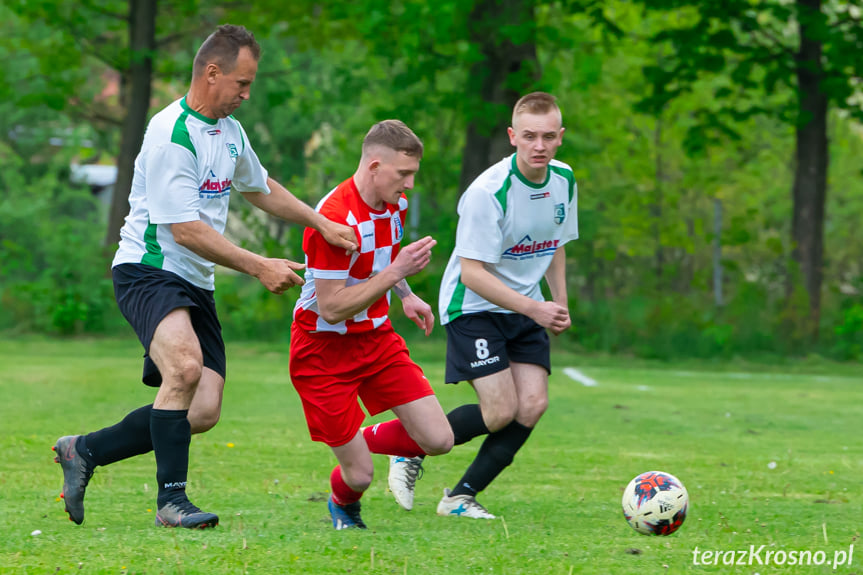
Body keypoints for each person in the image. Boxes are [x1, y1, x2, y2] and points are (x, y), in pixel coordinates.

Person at [52, 24, 357, 529]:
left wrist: (319, 220)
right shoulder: (171, 133)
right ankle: (172, 503)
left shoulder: (229, 131)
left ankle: (84, 451)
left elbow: (259, 187)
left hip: (195, 279)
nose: (247, 94)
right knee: (186, 369)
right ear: (211, 73)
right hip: (149, 268)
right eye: (241, 83)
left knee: (203, 411)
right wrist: (259, 265)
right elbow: (185, 230)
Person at [387, 92, 577, 518]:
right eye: (529, 136)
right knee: (499, 411)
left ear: (561, 137)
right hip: (473, 306)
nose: (539, 146)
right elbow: (473, 273)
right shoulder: (488, 192)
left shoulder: (564, 180)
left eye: (548, 136)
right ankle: (407, 448)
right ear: (513, 136)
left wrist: (559, 303)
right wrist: (536, 310)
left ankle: (460, 497)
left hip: (525, 307)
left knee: (532, 405)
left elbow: (557, 245)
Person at [289, 119, 454, 530]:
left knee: (439, 440)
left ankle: (383, 445)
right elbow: (331, 308)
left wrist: (407, 294)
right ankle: (343, 505)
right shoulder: (334, 220)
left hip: (375, 339)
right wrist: (396, 273)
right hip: (321, 351)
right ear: (375, 166)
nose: (410, 185)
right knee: (360, 475)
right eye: (404, 174)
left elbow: (382, 261)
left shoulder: (392, 204)